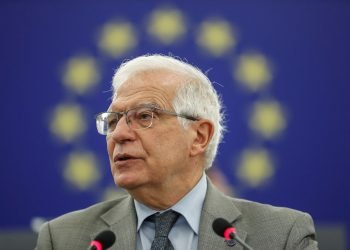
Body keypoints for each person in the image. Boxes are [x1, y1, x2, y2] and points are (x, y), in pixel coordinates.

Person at [36, 54, 318, 249]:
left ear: (199, 136)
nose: (119, 134)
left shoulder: (282, 236)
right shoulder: (63, 239)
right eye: (112, 121)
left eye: (144, 116)